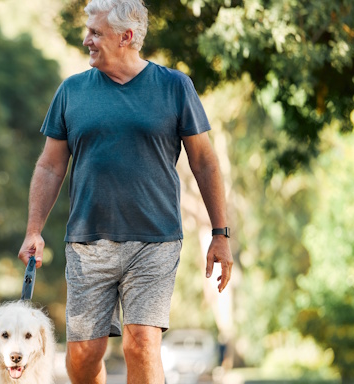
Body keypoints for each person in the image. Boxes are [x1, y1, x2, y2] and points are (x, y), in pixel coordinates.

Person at [17, 0, 233, 383]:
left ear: (126, 37)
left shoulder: (173, 86)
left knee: (141, 345)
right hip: (88, 243)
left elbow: (205, 162)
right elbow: (50, 166)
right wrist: (34, 229)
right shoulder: (72, 91)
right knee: (83, 356)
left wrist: (220, 234)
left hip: (155, 240)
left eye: (96, 33)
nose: (87, 40)